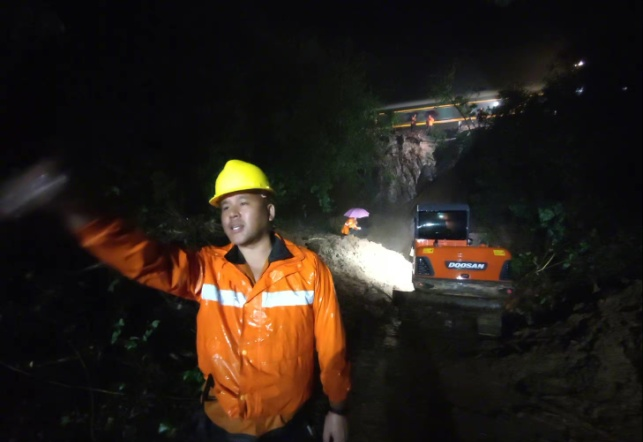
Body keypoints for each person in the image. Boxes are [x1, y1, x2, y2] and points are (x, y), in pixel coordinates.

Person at [0, 159, 351, 442]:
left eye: (244, 201)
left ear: (270, 211)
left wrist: (337, 410)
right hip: (221, 423)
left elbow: (332, 346)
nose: (232, 213)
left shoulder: (309, 270)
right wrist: (74, 210)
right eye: (225, 205)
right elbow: (145, 259)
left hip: (286, 426)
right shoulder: (207, 268)